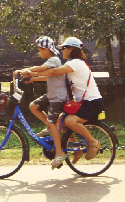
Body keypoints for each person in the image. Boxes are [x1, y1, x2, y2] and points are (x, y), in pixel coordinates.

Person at [23, 37, 104, 169]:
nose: (62, 51)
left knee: (71, 121)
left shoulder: (76, 63)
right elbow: (56, 76)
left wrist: (31, 71)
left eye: (64, 48)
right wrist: (34, 78)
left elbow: (54, 71)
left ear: (72, 49)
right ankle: (76, 149)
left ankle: (93, 141)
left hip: (92, 102)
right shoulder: (71, 63)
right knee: (60, 122)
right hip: (83, 102)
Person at [13, 36, 68, 169]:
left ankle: (59, 152)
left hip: (58, 98)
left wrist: (26, 70)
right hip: (51, 95)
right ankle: (50, 128)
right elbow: (49, 76)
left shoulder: (53, 60)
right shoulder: (53, 60)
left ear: (47, 50)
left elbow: (42, 68)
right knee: (33, 106)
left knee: (51, 121)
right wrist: (33, 78)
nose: (39, 53)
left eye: (39, 50)